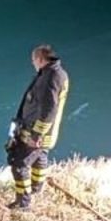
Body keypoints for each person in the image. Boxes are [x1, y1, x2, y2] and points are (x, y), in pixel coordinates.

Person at [7, 45, 70, 209]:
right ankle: (37, 186)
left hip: (37, 132)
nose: (33, 64)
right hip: (46, 131)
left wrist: (36, 135)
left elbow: (49, 109)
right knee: (40, 156)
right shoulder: (57, 73)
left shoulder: (50, 78)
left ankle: (23, 202)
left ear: (40, 59)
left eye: (34, 60)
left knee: (19, 163)